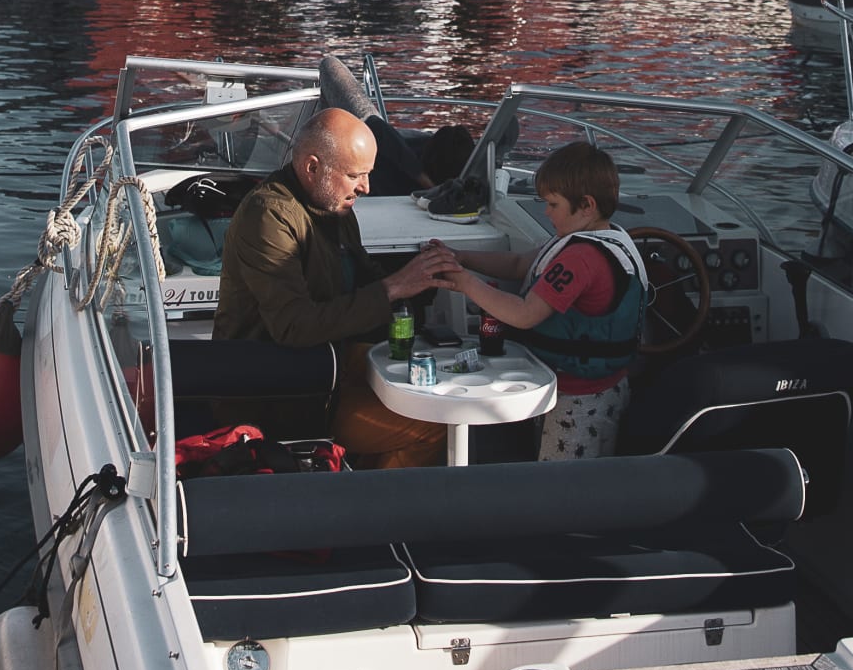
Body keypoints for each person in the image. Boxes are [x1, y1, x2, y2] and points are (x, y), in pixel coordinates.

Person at [213, 107, 453, 468]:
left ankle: (358, 477)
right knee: (433, 426)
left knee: (439, 386)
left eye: (368, 175)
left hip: (330, 364)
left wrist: (428, 277)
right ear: (312, 167)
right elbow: (295, 326)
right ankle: (373, 516)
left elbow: (364, 276)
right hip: (284, 394)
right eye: (355, 175)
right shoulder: (268, 216)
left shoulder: (334, 206)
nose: (366, 188)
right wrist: (394, 286)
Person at [433, 141, 645, 459]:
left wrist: (465, 284)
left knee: (562, 491)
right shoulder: (598, 238)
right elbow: (520, 264)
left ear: (586, 205)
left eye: (553, 204)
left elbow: (525, 314)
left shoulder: (581, 258)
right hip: (604, 387)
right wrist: (460, 257)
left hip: (581, 400)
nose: (546, 212)